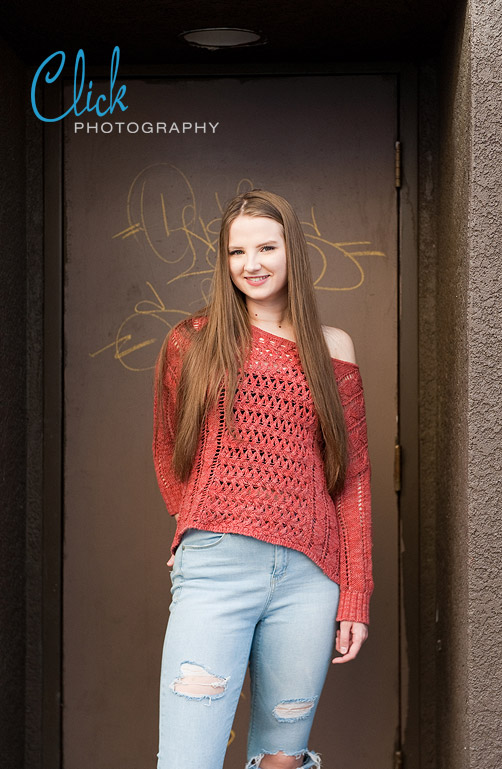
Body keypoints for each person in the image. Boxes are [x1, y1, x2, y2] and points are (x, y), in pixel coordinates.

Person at [153, 189, 373, 769]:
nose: (252, 263)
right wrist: (192, 525)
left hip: (309, 578)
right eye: (236, 252)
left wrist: (355, 590)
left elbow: (351, 478)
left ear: (290, 251)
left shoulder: (334, 348)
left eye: (266, 247)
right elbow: (169, 447)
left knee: (282, 760)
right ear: (223, 262)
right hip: (216, 567)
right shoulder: (192, 340)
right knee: (187, 760)